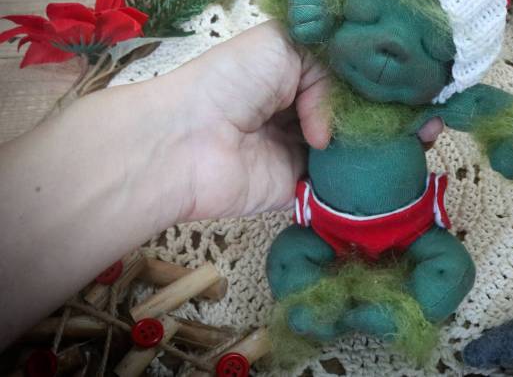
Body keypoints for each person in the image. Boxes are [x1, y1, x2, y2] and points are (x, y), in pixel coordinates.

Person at [0, 20, 443, 350]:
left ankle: (406, 312)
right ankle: (318, 312)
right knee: (289, 256)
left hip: (413, 230)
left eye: (430, 44)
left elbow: (472, 107)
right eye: (367, 17)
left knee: (448, 266)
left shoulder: (416, 111)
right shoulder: (319, 72)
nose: (391, 45)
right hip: (324, 229)